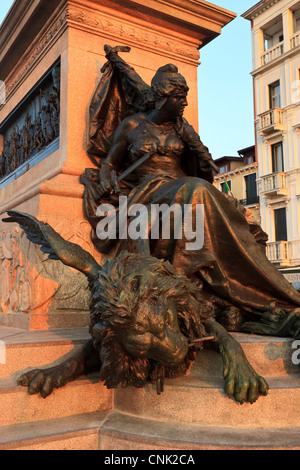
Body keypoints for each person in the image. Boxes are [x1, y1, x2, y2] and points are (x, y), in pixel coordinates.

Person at [81, 46, 300, 338]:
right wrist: (107, 177)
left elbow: (200, 164)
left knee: (220, 204)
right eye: (179, 96)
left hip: (183, 187)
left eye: (185, 95)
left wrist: (205, 160)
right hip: (149, 190)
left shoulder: (183, 130)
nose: (185, 101)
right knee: (197, 191)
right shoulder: (131, 125)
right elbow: (109, 163)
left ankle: (255, 291)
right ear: (162, 97)